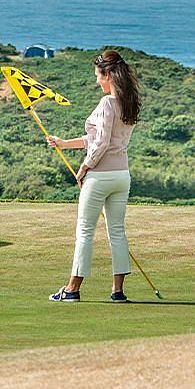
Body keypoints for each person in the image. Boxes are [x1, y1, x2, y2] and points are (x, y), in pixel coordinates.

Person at [45, 50, 141, 302]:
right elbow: (99, 139)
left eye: (98, 76)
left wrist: (85, 166)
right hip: (122, 175)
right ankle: (117, 291)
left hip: (101, 176)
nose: (97, 80)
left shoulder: (108, 103)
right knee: (117, 231)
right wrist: (64, 144)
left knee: (85, 231)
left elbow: (101, 143)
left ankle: (72, 289)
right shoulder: (128, 103)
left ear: (107, 74)